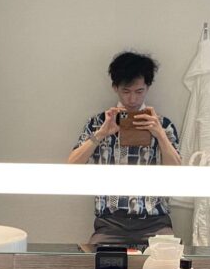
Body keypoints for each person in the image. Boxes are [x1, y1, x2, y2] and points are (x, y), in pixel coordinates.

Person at [68, 51, 182, 245]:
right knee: (98, 261)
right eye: (126, 91)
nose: (132, 99)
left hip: (155, 221)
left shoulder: (162, 125)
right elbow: (71, 166)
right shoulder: (99, 123)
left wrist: (160, 135)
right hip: (110, 223)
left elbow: (177, 173)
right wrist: (101, 134)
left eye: (139, 91)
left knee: (168, 262)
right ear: (115, 88)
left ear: (148, 88)